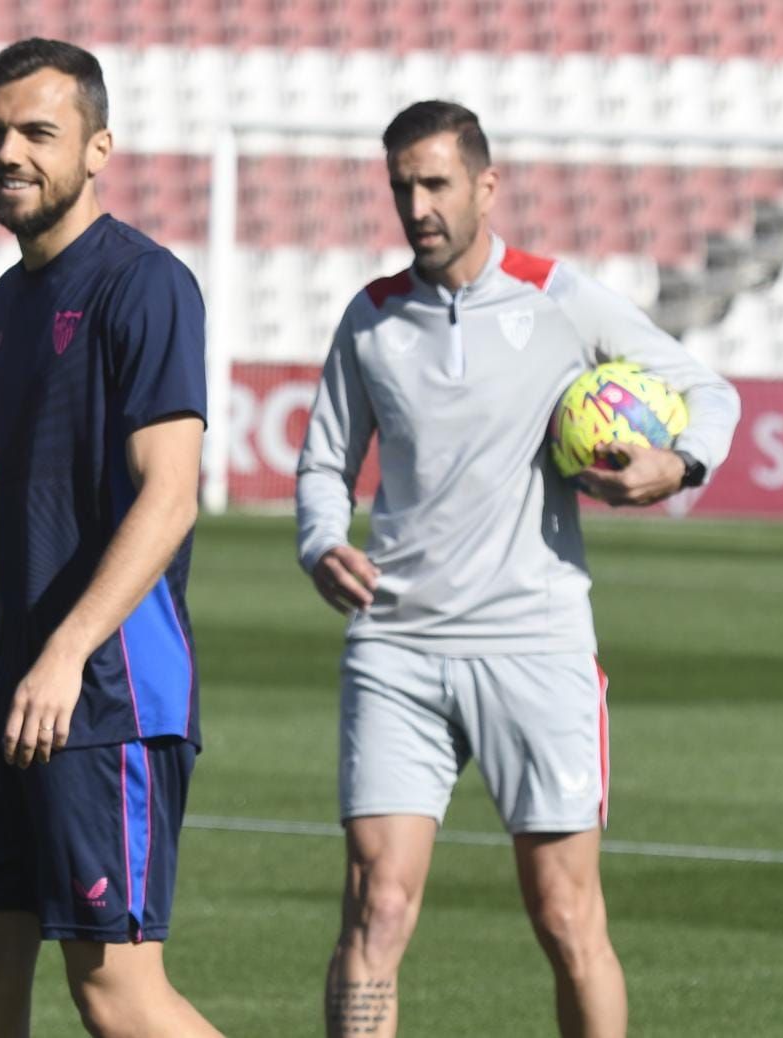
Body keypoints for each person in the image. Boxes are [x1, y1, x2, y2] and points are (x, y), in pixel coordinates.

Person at [296, 101, 741, 1038]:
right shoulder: (371, 318)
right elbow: (326, 463)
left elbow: (708, 389)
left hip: (534, 644)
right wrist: (322, 540)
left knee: (566, 916)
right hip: (397, 646)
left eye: (436, 184)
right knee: (378, 907)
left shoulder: (558, 298)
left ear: (486, 186)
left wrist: (678, 464)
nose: (417, 206)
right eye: (403, 187)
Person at [0, 38, 221, 1038]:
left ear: (99, 149)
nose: (7, 153)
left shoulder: (144, 284)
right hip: (20, 680)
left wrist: (63, 652)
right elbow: (37, 490)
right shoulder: (10, 298)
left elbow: (169, 498)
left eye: (37, 133)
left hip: (106, 688)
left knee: (115, 994)